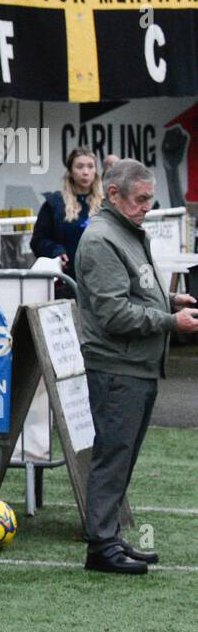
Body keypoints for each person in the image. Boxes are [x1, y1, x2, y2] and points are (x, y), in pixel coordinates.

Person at [76, 159, 198, 574]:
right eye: (141, 198)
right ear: (114, 195)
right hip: (118, 367)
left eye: (150, 198)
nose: (148, 206)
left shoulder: (124, 232)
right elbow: (113, 314)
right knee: (113, 457)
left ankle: (108, 538)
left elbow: (132, 293)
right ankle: (101, 547)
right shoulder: (101, 239)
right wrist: (170, 321)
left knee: (122, 457)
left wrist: (169, 302)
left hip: (135, 366)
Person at [31, 147, 102, 279]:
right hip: (68, 279)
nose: (85, 172)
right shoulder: (54, 204)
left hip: (101, 276)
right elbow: (38, 240)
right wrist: (56, 251)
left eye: (90, 166)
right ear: (70, 171)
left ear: (96, 171)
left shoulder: (106, 204)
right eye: (79, 167)